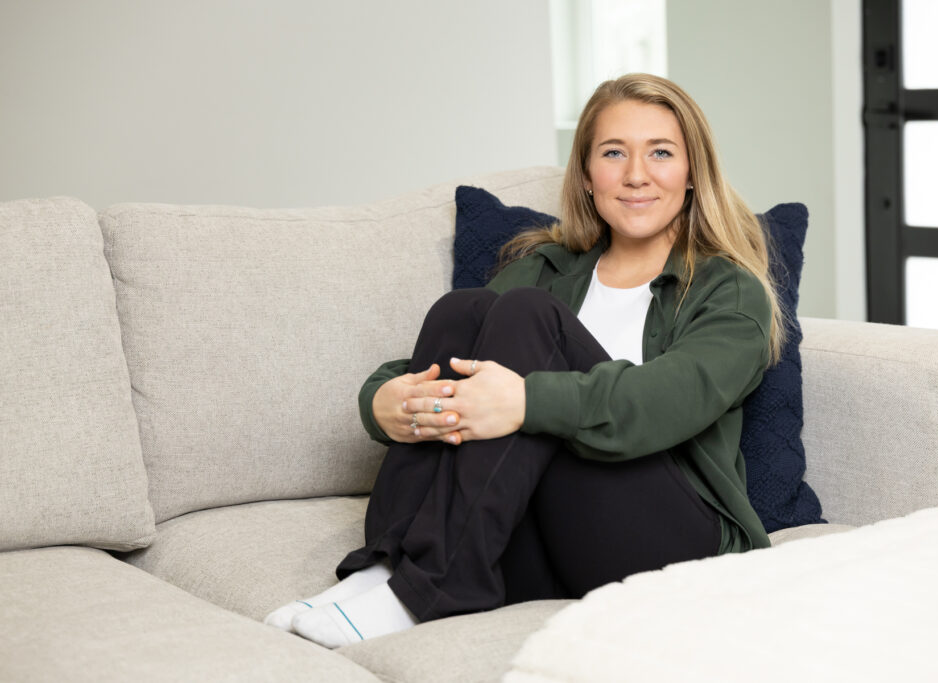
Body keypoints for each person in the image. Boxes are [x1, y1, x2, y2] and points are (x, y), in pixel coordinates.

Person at [264, 73, 786, 648]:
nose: (637, 174)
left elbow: (663, 401)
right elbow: (451, 358)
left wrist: (525, 403)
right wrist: (383, 400)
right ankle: (386, 569)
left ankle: (430, 587)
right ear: (588, 176)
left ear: (692, 173)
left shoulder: (729, 289)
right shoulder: (548, 267)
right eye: (614, 153)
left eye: (660, 153)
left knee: (526, 316)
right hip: (554, 539)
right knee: (464, 311)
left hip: (677, 547)